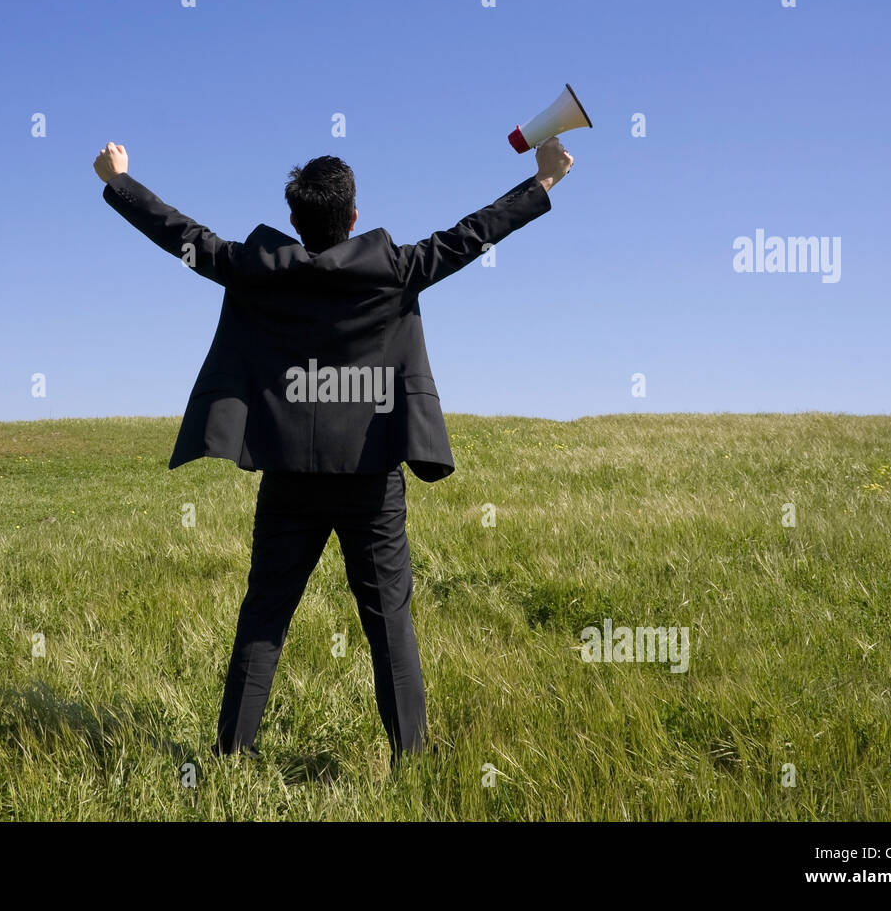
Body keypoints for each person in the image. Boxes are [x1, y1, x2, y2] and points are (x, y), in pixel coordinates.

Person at [94, 137, 573, 767]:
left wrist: (120, 181)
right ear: (353, 216)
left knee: (265, 612)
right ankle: (410, 763)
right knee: (388, 623)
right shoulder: (396, 267)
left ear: (295, 220)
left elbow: (183, 236)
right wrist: (544, 181)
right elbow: (473, 235)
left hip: (288, 475)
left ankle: (230, 756)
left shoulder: (253, 267)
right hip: (372, 478)